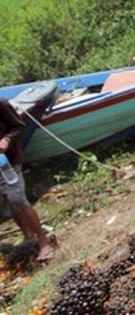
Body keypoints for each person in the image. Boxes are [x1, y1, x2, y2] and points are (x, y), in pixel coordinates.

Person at [0, 97, 56, 261]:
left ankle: (44, 242)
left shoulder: (1, 104)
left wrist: (6, 140)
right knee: (7, 200)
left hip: (7, 161)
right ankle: (28, 236)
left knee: (17, 198)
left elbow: (19, 126)